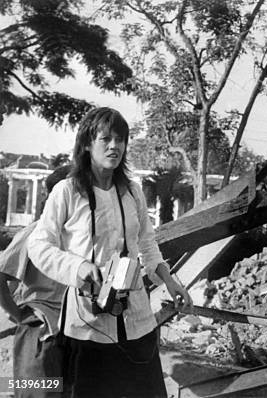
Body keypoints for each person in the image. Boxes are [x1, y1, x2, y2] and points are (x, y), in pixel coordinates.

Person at [27, 107, 192, 398]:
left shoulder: (132, 191)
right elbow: (38, 245)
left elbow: (147, 242)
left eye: (120, 139)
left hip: (136, 321)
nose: (114, 146)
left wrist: (169, 280)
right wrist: (77, 268)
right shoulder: (67, 192)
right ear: (87, 144)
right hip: (87, 325)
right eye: (105, 139)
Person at [0, 165, 71, 398]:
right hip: (39, 335)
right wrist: (20, 315)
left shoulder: (81, 239)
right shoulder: (33, 234)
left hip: (74, 334)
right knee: (37, 394)